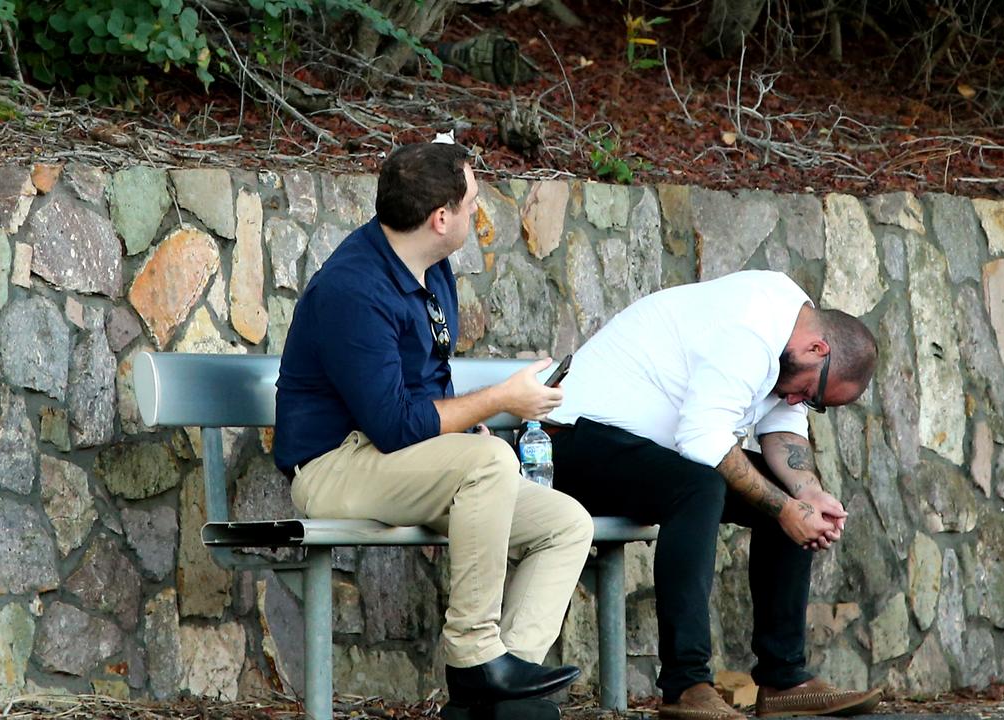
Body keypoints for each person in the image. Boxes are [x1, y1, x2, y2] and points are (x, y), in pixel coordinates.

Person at [273, 142, 594, 711]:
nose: (477, 214)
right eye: (471, 203)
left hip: (396, 461)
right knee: (491, 463)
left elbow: (424, 385)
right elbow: (396, 425)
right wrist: (498, 401)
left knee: (566, 523)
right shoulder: (353, 290)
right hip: (333, 466)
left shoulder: (430, 268)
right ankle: (473, 658)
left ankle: (500, 695)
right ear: (440, 218)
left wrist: (467, 428)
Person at [546, 270, 882, 720]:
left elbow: (781, 427)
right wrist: (786, 510)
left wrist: (808, 494)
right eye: (812, 394)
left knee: (768, 491)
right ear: (817, 350)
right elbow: (703, 440)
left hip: (647, 452)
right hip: (572, 441)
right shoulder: (752, 330)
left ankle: (783, 680)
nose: (802, 401)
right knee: (700, 485)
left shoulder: (793, 329)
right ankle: (685, 686)